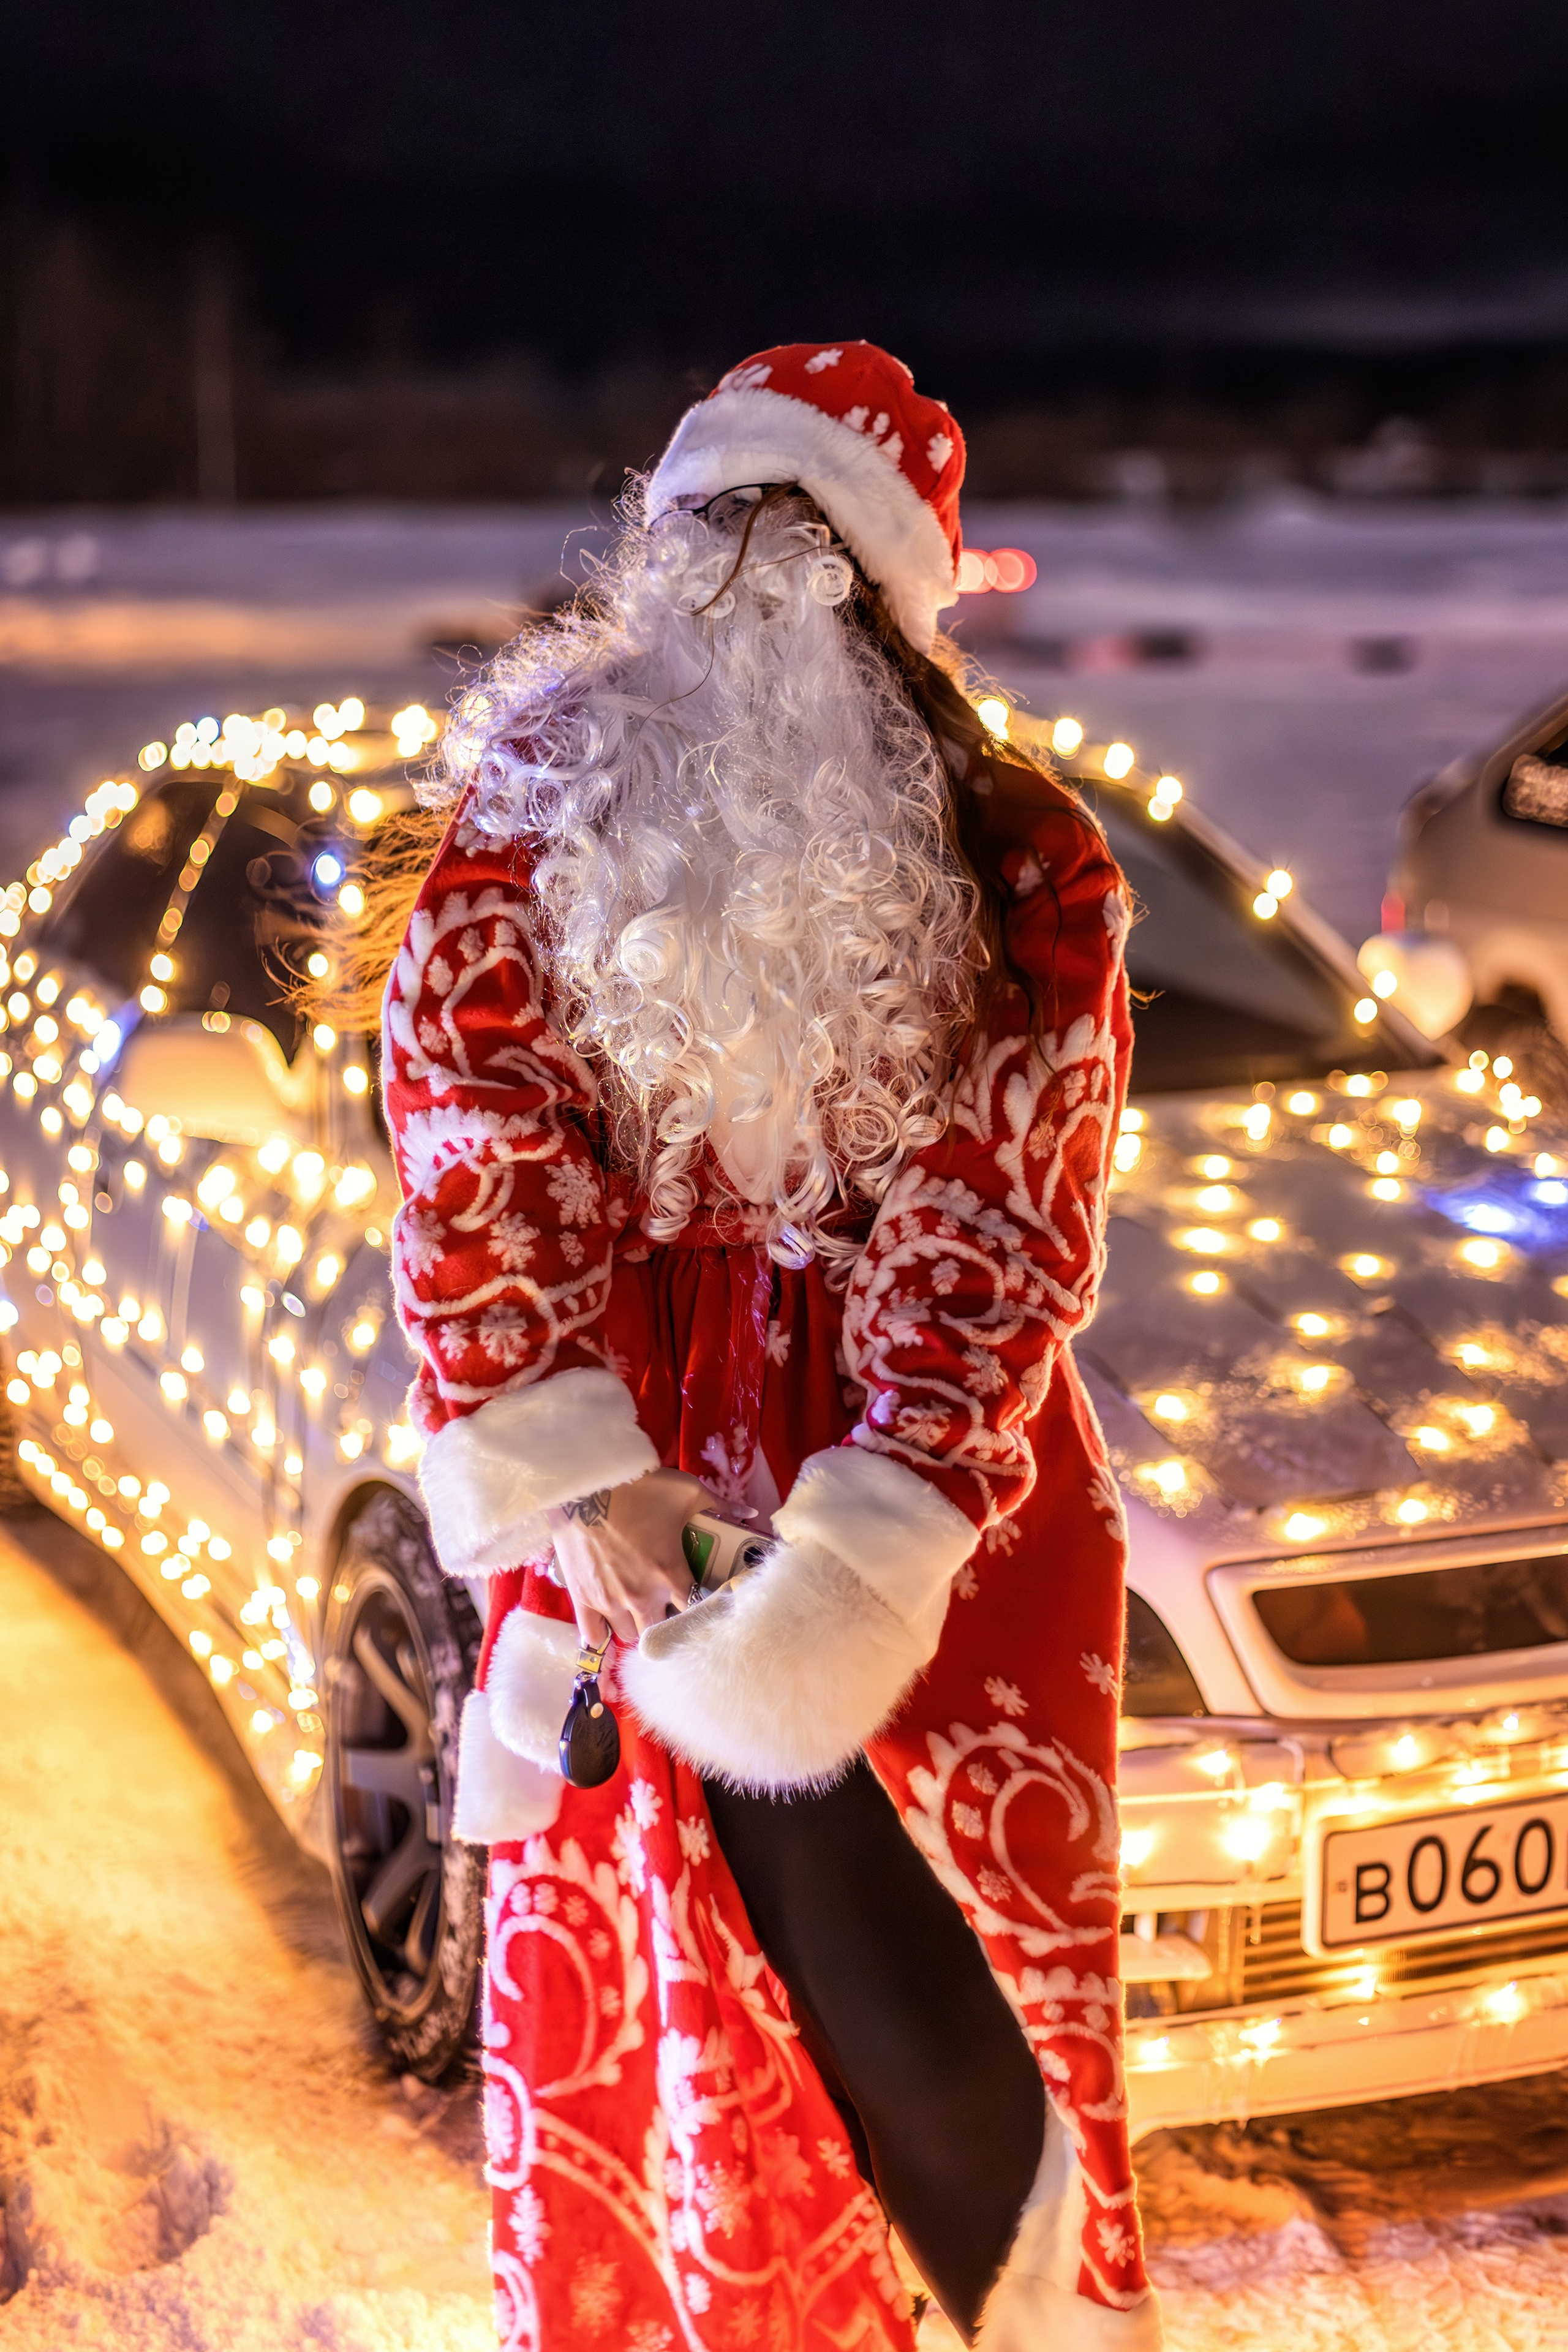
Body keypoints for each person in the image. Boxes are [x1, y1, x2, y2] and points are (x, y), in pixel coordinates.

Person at [378, 340, 1159, 2350]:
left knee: (952, 2022)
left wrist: (868, 1536)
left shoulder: (1020, 853)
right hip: (627, 1463)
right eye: (718, 530)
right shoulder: (536, 797)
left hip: (927, 1509)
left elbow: (1002, 1204)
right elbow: (474, 1141)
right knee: (656, 2007)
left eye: (798, 545)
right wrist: (582, 1468)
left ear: (884, 597)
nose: (747, 581)